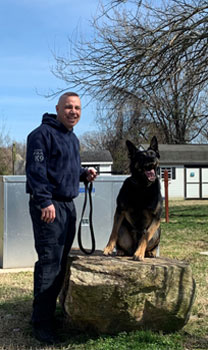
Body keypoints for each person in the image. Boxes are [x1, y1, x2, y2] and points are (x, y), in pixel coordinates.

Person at [26, 92, 97, 344]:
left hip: (68, 206)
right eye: (68, 107)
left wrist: (83, 172)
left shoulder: (72, 137)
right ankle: (42, 324)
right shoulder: (41, 135)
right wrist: (44, 200)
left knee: (58, 263)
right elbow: (37, 171)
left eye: (77, 108)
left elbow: (65, 169)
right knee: (50, 264)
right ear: (57, 108)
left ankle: (45, 313)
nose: (73, 111)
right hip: (50, 206)